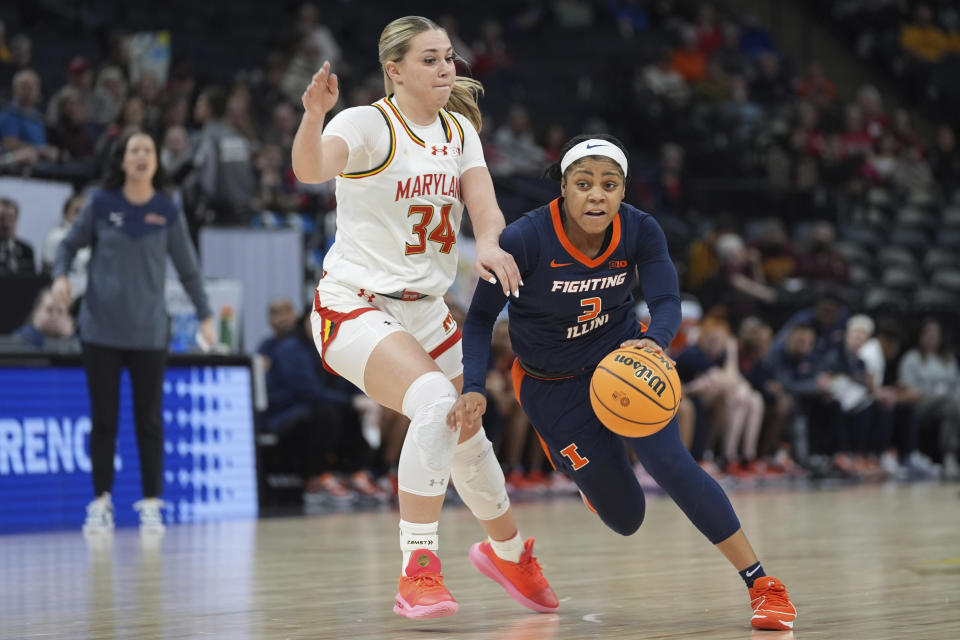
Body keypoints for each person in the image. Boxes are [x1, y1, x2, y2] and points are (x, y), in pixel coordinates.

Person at [452, 133, 797, 631]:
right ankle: (578, 470)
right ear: (564, 189)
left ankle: (763, 584)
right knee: (626, 518)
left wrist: (655, 341)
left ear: (623, 191)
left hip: (622, 362)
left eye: (609, 185)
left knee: (674, 466)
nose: (597, 194)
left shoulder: (640, 230)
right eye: (585, 183)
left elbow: (667, 302)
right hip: (550, 384)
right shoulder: (524, 239)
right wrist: (476, 387)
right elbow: (481, 320)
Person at [291, 16, 556, 620]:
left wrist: (489, 243)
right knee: (439, 402)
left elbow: (485, 207)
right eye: (431, 60)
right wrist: (313, 117)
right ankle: (418, 568)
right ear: (395, 70)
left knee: (466, 428)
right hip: (354, 304)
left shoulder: (459, 130)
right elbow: (309, 170)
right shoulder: (367, 124)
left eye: (449, 59)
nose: (447, 70)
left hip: (428, 310)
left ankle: (509, 551)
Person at [51, 131, 216, 533]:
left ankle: (152, 504)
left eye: (148, 150)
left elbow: (189, 270)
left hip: (148, 333)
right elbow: (67, 247)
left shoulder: (167, 210)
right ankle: (101, 502)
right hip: (100, 331)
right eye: (134, 150)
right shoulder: (101, 204)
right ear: (122, 161)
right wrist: (60, 277)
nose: (141, 156)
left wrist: (206, 315)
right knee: (104, 420)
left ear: (156, 162)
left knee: (150, 422)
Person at [0, 197, 36, 275]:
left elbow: (32, 281)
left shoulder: (27, 250)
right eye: (2, 218)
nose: (6, 224)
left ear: (16, 221)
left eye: (10, 218)